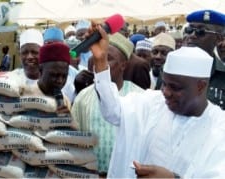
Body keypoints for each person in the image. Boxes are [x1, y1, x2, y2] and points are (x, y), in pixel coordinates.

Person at [89, 23, 225, 178]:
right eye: (164, 84)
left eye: (175, 87)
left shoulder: (219, 129)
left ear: (200, 86)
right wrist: (100, 62)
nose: (166, 92)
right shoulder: (151, 104)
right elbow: (112, 110)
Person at [71, 32, 144, 177]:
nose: (100, 62)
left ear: (123, 65)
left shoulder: (139, 97)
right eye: (97, 57)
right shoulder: (83, 97)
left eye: (108, 59)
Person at [184, 9, 225, 110]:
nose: (192, 35)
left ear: (218, 38)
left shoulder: (223, 75)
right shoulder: (170, 68)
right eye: (190, 30)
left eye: (200, 31)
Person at [36, 42, 71, 111]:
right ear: (40, 70)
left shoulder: (65, 101)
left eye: (64, 76)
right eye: (55, 75)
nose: (60, 81)